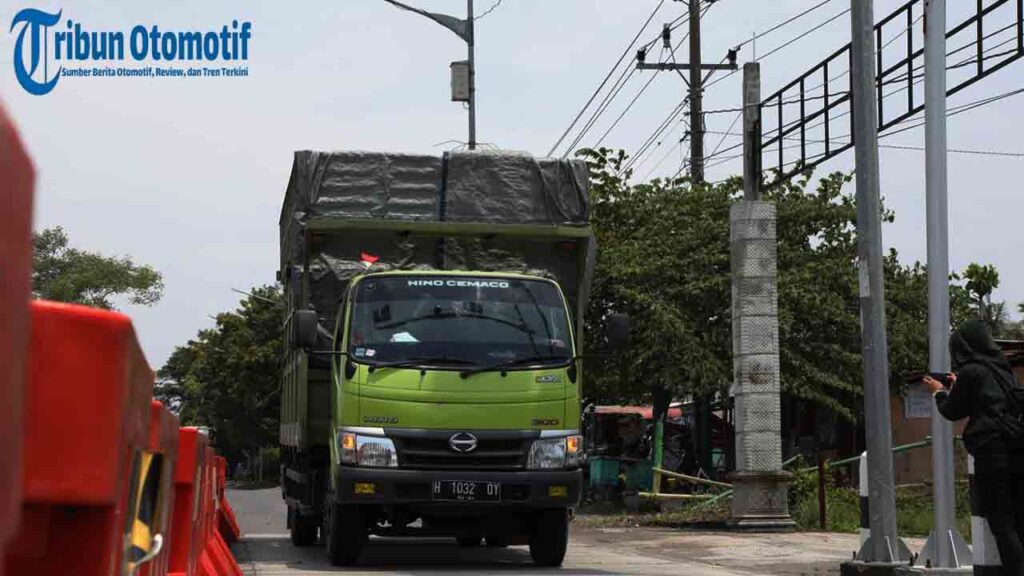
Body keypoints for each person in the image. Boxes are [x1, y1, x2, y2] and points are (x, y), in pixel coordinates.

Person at [923, 319, 1024, 576]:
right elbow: (987, 399)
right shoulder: (1003, 369)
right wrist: (959, 385)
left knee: (1001, 522)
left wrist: (939, 392)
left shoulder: (972, 372)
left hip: (991, 453)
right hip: (1016, 448)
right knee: (1018, 518)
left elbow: (952, 410)